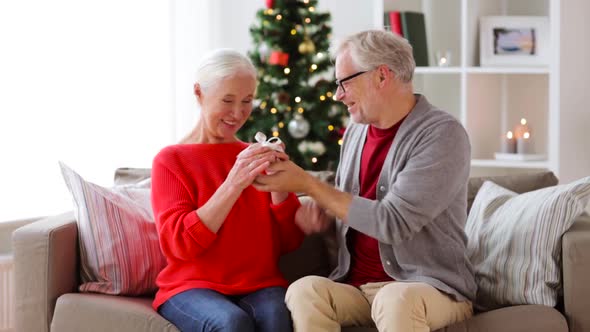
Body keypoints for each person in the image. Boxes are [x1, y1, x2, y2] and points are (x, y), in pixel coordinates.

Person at [253, 30, 477, 331]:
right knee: (304, 291)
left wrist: (309, 184)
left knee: (395, 299)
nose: (338, 95)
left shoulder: (442, 135)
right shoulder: (357, 132)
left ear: (382, 76)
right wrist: (326, 217)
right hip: (357, 287)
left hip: (430, 288)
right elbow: (355, 210)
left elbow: (392, 223)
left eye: (344, 82)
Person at [150, 49, 304, 332]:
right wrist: (233, 184)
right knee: (232, 323)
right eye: (228, 100)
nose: (238, 113)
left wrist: (281, 189)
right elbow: (179, 245)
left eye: (247, 101)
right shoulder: (171, 160)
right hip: (189, 286)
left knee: (277, 316)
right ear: (199, 93)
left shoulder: (255, 156)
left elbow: (290, 242)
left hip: (260, 283)